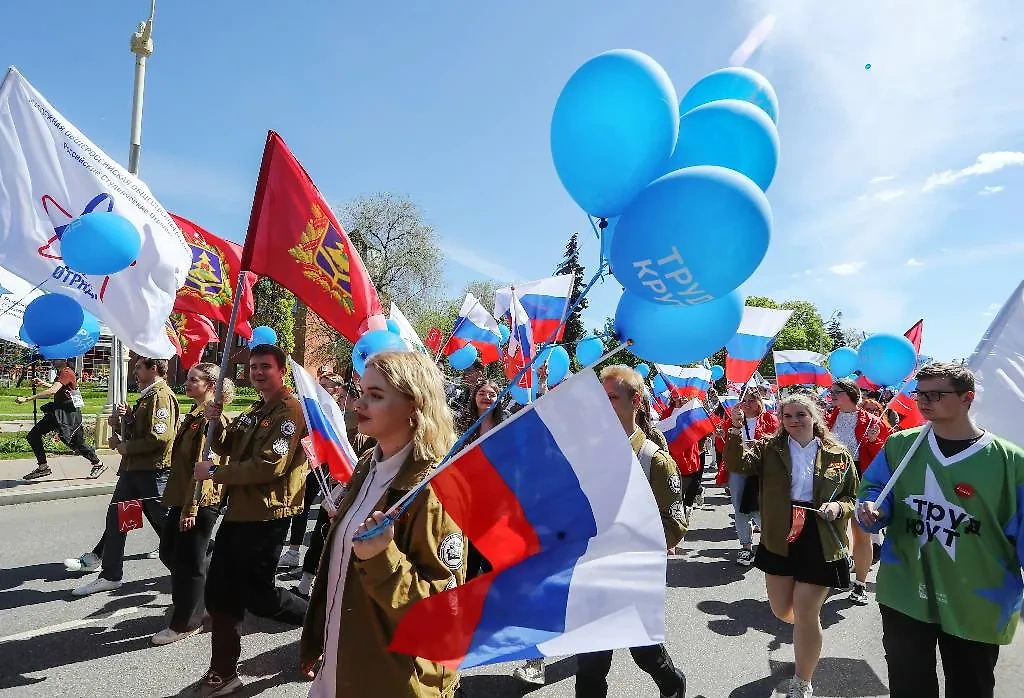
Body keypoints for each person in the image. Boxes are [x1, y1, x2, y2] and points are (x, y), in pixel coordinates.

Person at [300, 351, 467, 696]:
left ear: (413, 405)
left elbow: (442, 614)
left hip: (391, 680)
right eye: (361, 392)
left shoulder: (433, 488)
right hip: (342, 664)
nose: (359, 403)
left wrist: (382, 558)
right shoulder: (368, 463)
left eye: (375, 396)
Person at [857, 362, 1024, 698]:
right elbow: (874, 490)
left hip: (976, 600)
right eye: (920, 393)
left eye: (936, 394)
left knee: (970, 687)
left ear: (967, 398)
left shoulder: (1010, 462)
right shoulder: (900, 446)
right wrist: (872, 510)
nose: (924, 401)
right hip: (905, 591)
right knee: (909, 686)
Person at [187, 344, 310, 696]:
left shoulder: (290, 412)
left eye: (265, 367)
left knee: (259, 597)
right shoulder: (256, 410)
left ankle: (320, 618)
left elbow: (270, 466)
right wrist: (216, 421)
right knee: (221, 592)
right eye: (254, 367)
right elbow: (230, 445)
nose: (257, 372)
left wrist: (215, 472)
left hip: (267, 514)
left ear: (281, 370)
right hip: (240, 511)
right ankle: (222, 673)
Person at [726, 393, 858, 698]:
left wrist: (839, 508)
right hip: (779, 533)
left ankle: (802, 679)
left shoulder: (838, 453)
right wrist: (733, 429)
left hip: (820, 535)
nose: (794, 421)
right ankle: (804, 635)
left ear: (814, 416)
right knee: (782, 610)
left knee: (806, 612)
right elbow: (736, 462)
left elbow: (852, 496)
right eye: (788, 416)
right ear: (781, 420)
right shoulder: (768, 449)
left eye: (801, 414)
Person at [572, 364, 686, 698]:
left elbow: (675, 523)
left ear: (635, 400)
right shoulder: (587, 452)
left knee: (646, 654)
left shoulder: (653, 458)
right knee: (591, 664)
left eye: (611, 397)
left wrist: (637, 549)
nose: (602, 405)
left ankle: (673, 684)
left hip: (634, 575)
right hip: (592, 572)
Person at [73, 358, 179, 597]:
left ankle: (200, 561)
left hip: (151, 472)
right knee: (117, 520)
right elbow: (141, 431)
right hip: (134, 472)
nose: (135, 371)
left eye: (140, 367)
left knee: (166, 522)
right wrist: (124, 422)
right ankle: (111, 575)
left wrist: (125, 446)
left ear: (154, 369)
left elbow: (159, 438)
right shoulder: (147, 395)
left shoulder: (161, 396)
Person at [152, 363, 233, 646]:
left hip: (199, 499)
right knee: (172, 551)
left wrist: (192, 507)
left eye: (193, 380)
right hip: (184, 496)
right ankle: (213, 595)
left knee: (187, 561)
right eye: (187, 378)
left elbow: (205, 464)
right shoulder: (198, 412)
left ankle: (186, 621)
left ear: (211, 385)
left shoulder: (211, 417)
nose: (187, 383)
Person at [824, 379, 890, 605]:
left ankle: (860, 584)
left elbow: (884, 455)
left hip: (859, 480)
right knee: (834, 529)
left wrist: (873, 440)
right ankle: (841, 566)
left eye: (836, 392)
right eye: (831, 392)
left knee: (861, 533)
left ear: (850, 394)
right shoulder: (826, 419)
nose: (831, 395)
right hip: (830, 480)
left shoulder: (871, 421)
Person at [279, 373, 345, 570]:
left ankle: (319, 563)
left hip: (332, 470)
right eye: (321, 384)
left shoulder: (341, 413)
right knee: (302, 505)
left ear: (338, 390)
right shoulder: (313, 409)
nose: (322, 388)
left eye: (328, 386)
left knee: (326, 515)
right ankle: (293, 551)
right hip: (311, 465)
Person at [718, 390, 779, 566]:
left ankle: (769, 543)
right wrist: (724, 434)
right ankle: (746, 547)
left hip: (762, 470)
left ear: (760, 402)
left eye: (752, 400)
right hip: (738, 470)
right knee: (739, 507)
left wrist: (759, 445)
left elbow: (778, 444)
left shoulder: (770, 419)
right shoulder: (732, 420)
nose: (747, 403)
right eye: (744, 400)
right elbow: (725, 450)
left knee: (761, 507)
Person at [18, 358, 104, 480]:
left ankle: (98, 464)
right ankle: (43, 467)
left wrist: (27, 398)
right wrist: (43, 383)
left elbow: (53, 391)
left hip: (68, 414)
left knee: (77, 442)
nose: (52, 360)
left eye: (55, 358)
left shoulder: (67, 372)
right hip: (58, 412)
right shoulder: (62, 372)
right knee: (33, 435)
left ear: (64, 359)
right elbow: (60, 389)